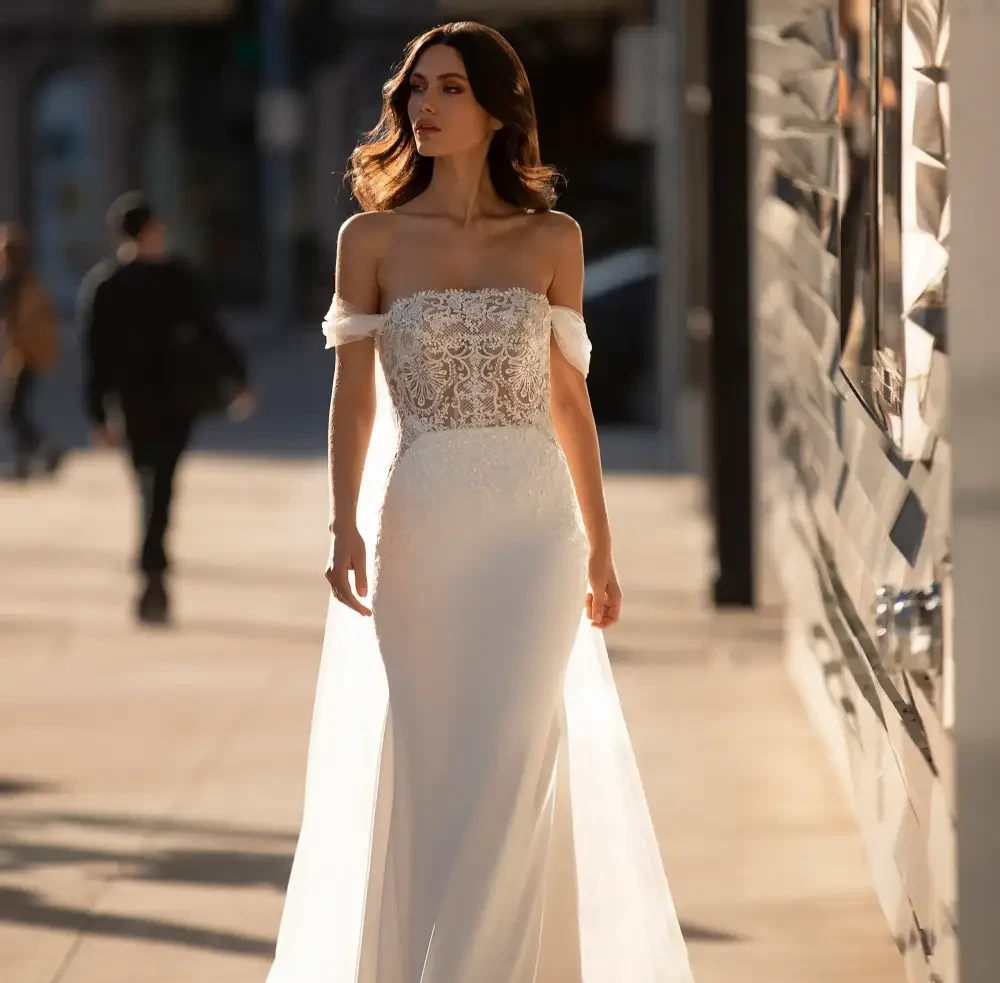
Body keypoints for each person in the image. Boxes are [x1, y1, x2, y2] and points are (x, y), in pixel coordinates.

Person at [266, 22, 694, 983]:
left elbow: (569, 396)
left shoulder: (554, 238)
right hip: (421, 523)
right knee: (439, 763)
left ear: (497, 108)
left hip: (534, 533)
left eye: (449, 88)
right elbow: (355, 394)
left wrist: (601, 545)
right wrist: (342, 523)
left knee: (512, 759)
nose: (423, 105)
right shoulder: (368, 237)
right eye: (415, 88)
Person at [79, 193, 251, 625]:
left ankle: (151, 568)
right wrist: (238, 379)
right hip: (174, 400)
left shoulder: (105, 285)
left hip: (137, 402)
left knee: (148, 483)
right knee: (161, 485)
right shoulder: (176, 278)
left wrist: (99, 415)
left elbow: (95, 360)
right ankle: (153, 568)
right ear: (150, 230)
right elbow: (212, 333)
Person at [0, 223, 63, 480]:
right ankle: (32, 456)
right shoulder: (27, 281)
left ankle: (36, 454)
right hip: (27, 354)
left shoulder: (15, 283)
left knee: (14, 411)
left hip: (25, 355)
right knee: (16, 410)